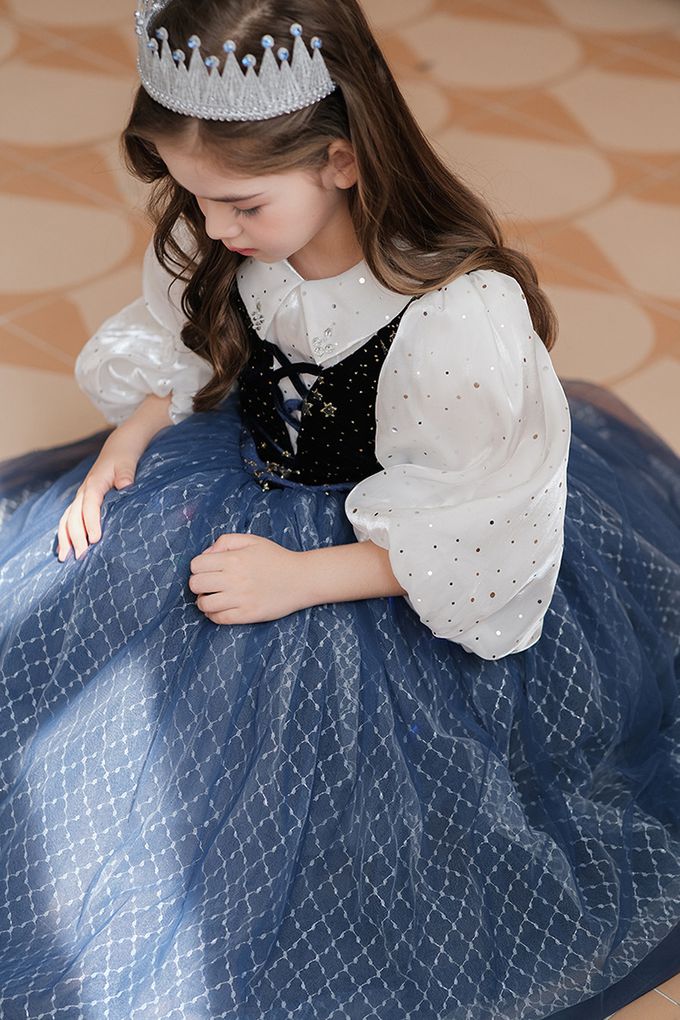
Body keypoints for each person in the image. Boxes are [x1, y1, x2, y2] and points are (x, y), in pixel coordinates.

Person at [0, 0, 678, 1016]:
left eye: (240, 205)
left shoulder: (453, 320)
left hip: (381, 545)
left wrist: (301, 577)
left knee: (310, 796)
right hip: (246, 469)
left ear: (341, 161)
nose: (214, 229)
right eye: (196, 198)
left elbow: (478, 529)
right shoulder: (231, 225)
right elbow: (192, 341)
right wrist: (132, 436)